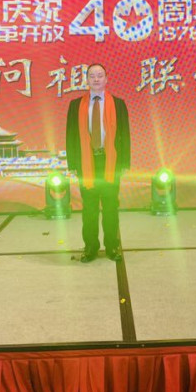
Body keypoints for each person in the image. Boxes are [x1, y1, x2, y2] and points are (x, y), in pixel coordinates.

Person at [66, 63, 130, 263]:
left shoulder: (118, 104)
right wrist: (72, 163)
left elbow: (125, 134)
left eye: (100, 75)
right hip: (87, 163)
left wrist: (124, 163)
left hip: (110, 162)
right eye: (92, 76)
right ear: (86, 80)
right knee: (89, 209)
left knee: (111, 207)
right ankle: (91, 247)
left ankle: (112, 247)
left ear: (106, 79)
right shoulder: (75, 105)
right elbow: (71, 136)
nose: (96, 79)